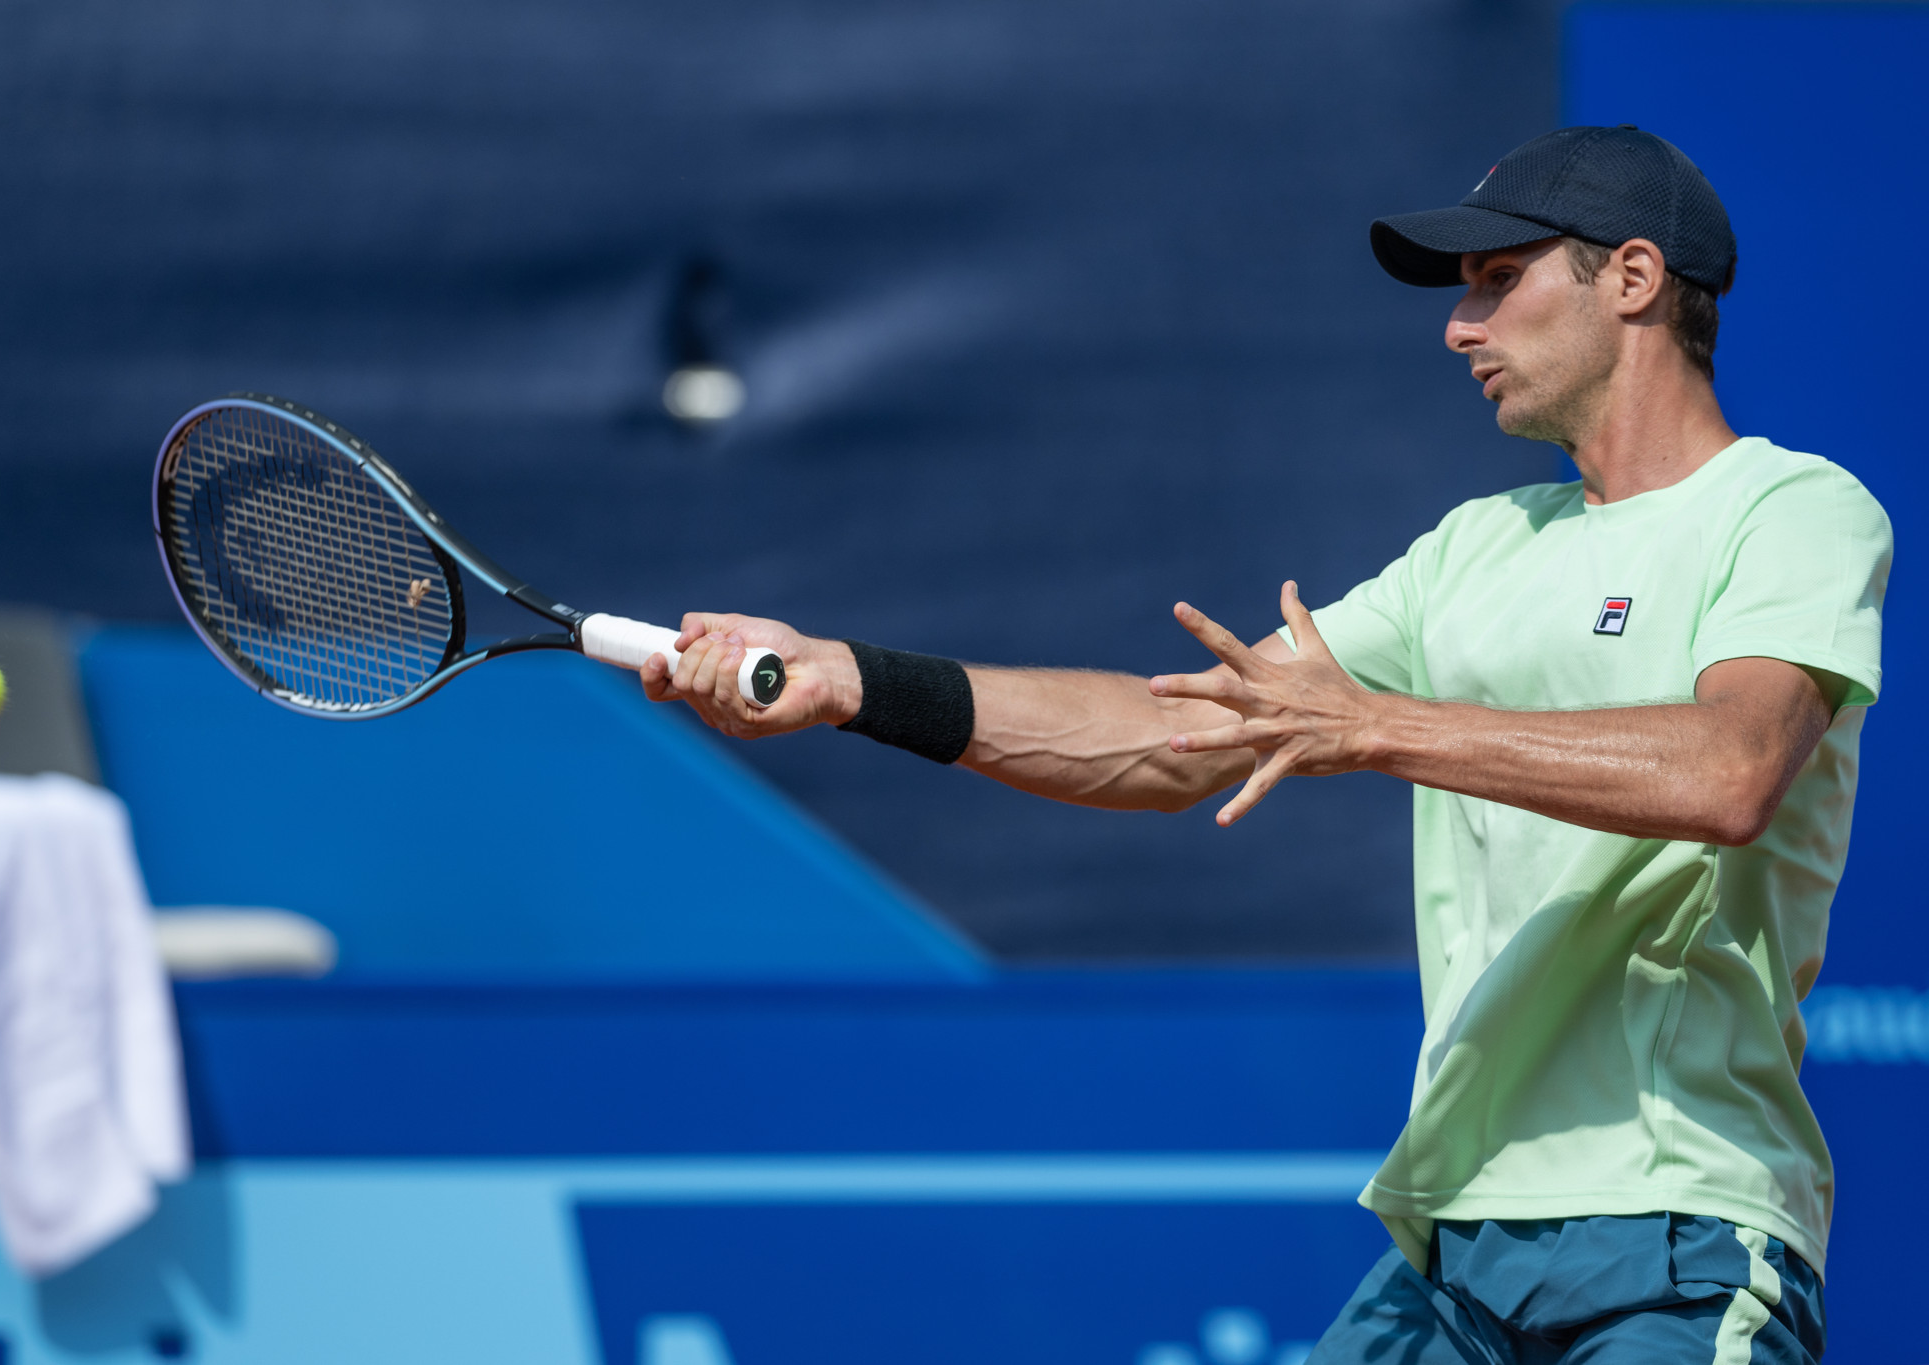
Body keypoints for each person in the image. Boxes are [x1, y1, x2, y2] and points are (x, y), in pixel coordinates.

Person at [639, 126, 1886, 1363]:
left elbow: (1727, 772)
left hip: (1675, 1230)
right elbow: (1171, 738)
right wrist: (848, 680)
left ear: (1631, 278)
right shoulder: (1476, 547)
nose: (1458, 329)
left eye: (1498, 282)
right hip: (1453, 1248)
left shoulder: (1791, 511)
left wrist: (1377, 726)